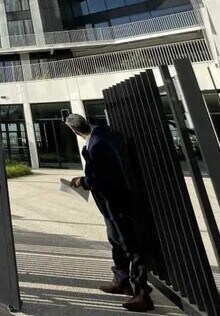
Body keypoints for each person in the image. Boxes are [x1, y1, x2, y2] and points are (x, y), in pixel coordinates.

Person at [64, 113, 154, 313]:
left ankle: (141, 293)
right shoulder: (100, 135)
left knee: (130, 246)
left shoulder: (98, 144)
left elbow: (108, 177)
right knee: (116, 242)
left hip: (117, 204)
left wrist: (84, 181)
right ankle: (121, 279)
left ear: (74, 130)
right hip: (111, 205)